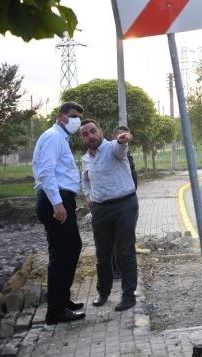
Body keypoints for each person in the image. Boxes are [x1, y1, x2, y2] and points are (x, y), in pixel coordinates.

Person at [32, 101, 86, 327]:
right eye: (73, 116)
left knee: (72, 248)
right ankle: (55, 312)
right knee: (61, 255)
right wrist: (57, 203)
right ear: (60, 116)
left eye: (79, 117)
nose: (77, 121)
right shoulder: (53, 137)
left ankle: (62, 300)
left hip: (61, 198)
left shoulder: (60, 138)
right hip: (55, 199)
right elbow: (46, 172)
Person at [78, 119, 138, 312]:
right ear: (82, 139)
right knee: (103, 254)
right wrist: (88, 195)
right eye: (85, 134)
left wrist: (122, 140)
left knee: (125, 252)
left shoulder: (113, 147)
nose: (90, 136)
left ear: (100, 131)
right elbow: (85, 179)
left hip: (124, 206)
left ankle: (128, 296)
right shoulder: (85, 159)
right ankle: (103, 292)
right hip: (100, 210)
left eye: (92, 131)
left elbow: (121, 147)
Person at [110, 126, 137, 279]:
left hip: (129, 201)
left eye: (127, 135)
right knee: (116, 240)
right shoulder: (112, 153)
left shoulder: (127, 153)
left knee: (127, 238)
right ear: (114, 138)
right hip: (117, 203)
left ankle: (124, 267)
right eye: (121, 136)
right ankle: (116, 269)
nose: (124, 138)